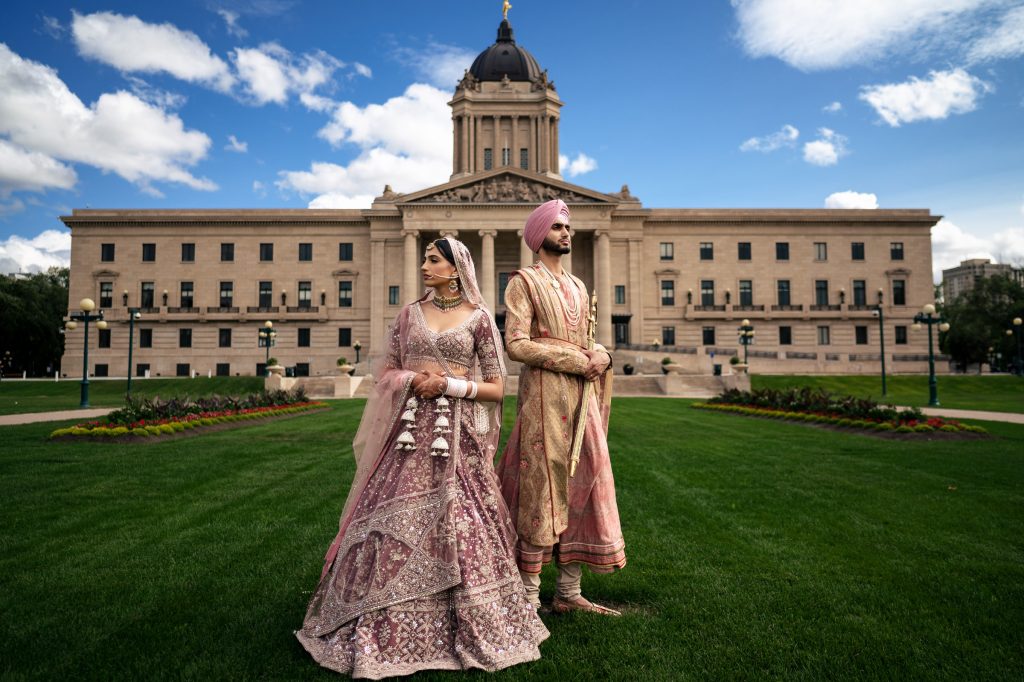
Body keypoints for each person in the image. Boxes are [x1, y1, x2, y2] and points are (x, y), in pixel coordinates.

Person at [296, 237, 548, 678]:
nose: (425, 266)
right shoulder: (408, 314)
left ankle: (470, 618)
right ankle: (376, 617)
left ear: (456, 269)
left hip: (458, 438)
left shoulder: (480, 320)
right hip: (408, 436)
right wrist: (415, 379)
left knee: (462, 518)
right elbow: (386, 371)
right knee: (386, 521)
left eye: (433, 260)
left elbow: (497, 386)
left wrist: (448, 386)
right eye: (425, 259)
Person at [496, 199, 627, 616]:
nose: (565, 233)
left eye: (567, 227)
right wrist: (577, 361)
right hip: (543, 397)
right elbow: (515, 344)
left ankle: (569, 593)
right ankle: (528, 598)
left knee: (586, 476)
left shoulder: (579, 285)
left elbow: (590, 341)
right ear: (538, 235)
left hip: (582, 397)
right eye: (556, 227)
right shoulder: (522, 282)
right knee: (541, 486)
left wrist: (603, 355)